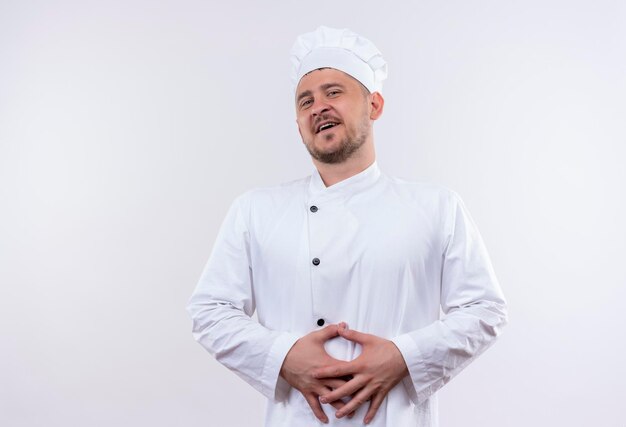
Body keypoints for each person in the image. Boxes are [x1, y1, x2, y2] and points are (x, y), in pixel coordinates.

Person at [187, 26, 508, 427]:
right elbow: (210, 311)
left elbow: (484, 309)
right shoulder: (255, 210)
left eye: (333, 92)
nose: (317, 106)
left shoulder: (436, 206)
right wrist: (284, 357)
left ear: (374, 105)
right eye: (306, 100)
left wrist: (403, 356)